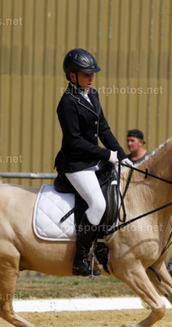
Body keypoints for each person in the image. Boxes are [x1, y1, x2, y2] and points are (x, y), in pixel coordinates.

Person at [55, 48, 132, 276]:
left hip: (94, 160)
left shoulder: (93, 95)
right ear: (72, 75)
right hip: (76, 164)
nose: (91, 78)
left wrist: (123, 157)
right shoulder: (67, 103)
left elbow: (104, 130)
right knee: (98, 204)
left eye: (92, 74)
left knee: (115, 193)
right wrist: (106, 155)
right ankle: (80, 258)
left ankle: (101, 246)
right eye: (86, 74)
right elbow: (75, 141)